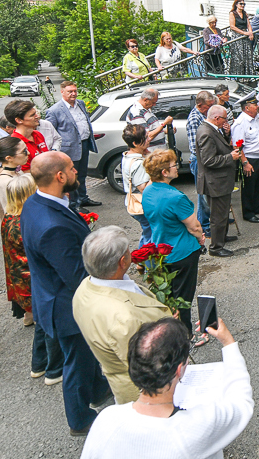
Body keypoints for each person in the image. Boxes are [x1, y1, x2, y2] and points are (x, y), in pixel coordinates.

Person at [70, 317, 253, 459]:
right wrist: (228, 343)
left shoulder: (106, 422)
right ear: (178, 370)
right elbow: (242, 404)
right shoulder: (193, 428)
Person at [20, 152, 113, 436]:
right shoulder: (52, 226)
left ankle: (98, 391)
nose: (77, 172)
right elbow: (76, 276)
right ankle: (80, 419)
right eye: (72, 169)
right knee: (77, 362)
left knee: (86, 357)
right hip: (65, 306)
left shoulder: (36, 203)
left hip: (51, 295)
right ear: (60, 176)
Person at [72, 226, 174, 404]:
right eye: (128, 250)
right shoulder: (124, 319)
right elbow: (151, 367)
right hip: (148, 395)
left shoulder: (85, 288)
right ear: (122, 261)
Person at [2, 173, 63, 381]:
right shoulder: (25, 222)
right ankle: (54, 370)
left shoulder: (9, 218)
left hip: (23, 279)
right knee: (51, 324)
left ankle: (39, 364)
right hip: (35, 280)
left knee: (41, 323)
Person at [141, 150, 209, 340]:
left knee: (168, 295)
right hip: (182, 252)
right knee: (183, 298)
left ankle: (171, 329)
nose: (177, 167)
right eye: (173, 165)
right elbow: (194, 226)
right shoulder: (176, 197)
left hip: (160, 250)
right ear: (164, 172)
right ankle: (186, 335)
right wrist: (200, 237)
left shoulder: (148, 190)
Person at [196, 104, 243, 257]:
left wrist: (227, 135)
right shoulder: (206, 133)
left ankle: (222, 238)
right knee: (217, 216)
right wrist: (231, 157)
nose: (226, 121)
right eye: (224, 118)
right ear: (216, 118)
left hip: (220, 181)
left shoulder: (213, 129)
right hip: (215, 182)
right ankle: (216, 247)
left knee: (222, 214)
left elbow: (220, 147)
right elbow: (208, 160)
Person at [46, 80, 100, 209]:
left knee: (82, 174)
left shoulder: (80, 104)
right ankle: (74, 204)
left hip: (84, 144)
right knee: (71, 176)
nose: (73, 94)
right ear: (62, 92)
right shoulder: (54, 110)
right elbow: (50, 132)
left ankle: (83, 198)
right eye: (70, 91)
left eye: (75, 91)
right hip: (68, 149)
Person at [185, 91, 217, 239]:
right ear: (199, 105)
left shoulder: (204, 115)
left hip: (206, 158)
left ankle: (214, 220)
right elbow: (194, 146)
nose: (210, 109)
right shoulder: (194, 119)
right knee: (203, 194)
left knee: (210, 192)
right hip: (200, 160)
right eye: (208, 106)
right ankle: (204, 226)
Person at [232, 98, 259, 223]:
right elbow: (237, 146)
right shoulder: (241, 123)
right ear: (247, 108)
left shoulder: (257, 118)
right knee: (249, 187)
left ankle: (257, 207)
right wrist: (245, 162)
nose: (258, 106)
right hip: (250, 159)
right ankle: (248, 213)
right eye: (255, 104)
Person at [121, 124, 154, 247]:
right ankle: (147, 261)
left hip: (132, 202)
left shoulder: (127, 156)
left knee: (147, 231)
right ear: (135, 143)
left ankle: (142, 261)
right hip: (141, 205)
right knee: (151, 232)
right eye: (145, 138)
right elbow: (144, 189)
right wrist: (155, 173)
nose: (149, 139)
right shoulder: (138, 163)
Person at [0, 136, 27, 223]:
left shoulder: (17, 172)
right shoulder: (6, 182)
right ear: (9, 158)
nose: (28, 154)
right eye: (24, 151)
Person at [5, 99, 49, 172]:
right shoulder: (15, 144)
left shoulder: (37, 134)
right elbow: (27, 174)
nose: (37, 116)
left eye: (35, 113)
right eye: (32, 115)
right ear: (19, 120)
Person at [126, 87, 175, 152]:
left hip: (157, 151)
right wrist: (164, 124)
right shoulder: (137, 113)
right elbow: (147, 136)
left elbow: (151, 129)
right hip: (151, 152)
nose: (154, 105)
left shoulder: (146, 109)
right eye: (153, 102)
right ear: (146, 100)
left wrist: (165, 131)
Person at [227, 0, 254, 74]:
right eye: (241, 4)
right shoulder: (232, 13)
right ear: (236, 4)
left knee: (247, 55)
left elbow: (248, 24)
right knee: (239, 57)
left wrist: (250, 33)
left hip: (245, 36)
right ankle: (239, 74)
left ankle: (247, 74)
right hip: (237, 36)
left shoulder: (245, 13)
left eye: (244, 4)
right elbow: (232, 26)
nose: (242, 5)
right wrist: (243, 33)